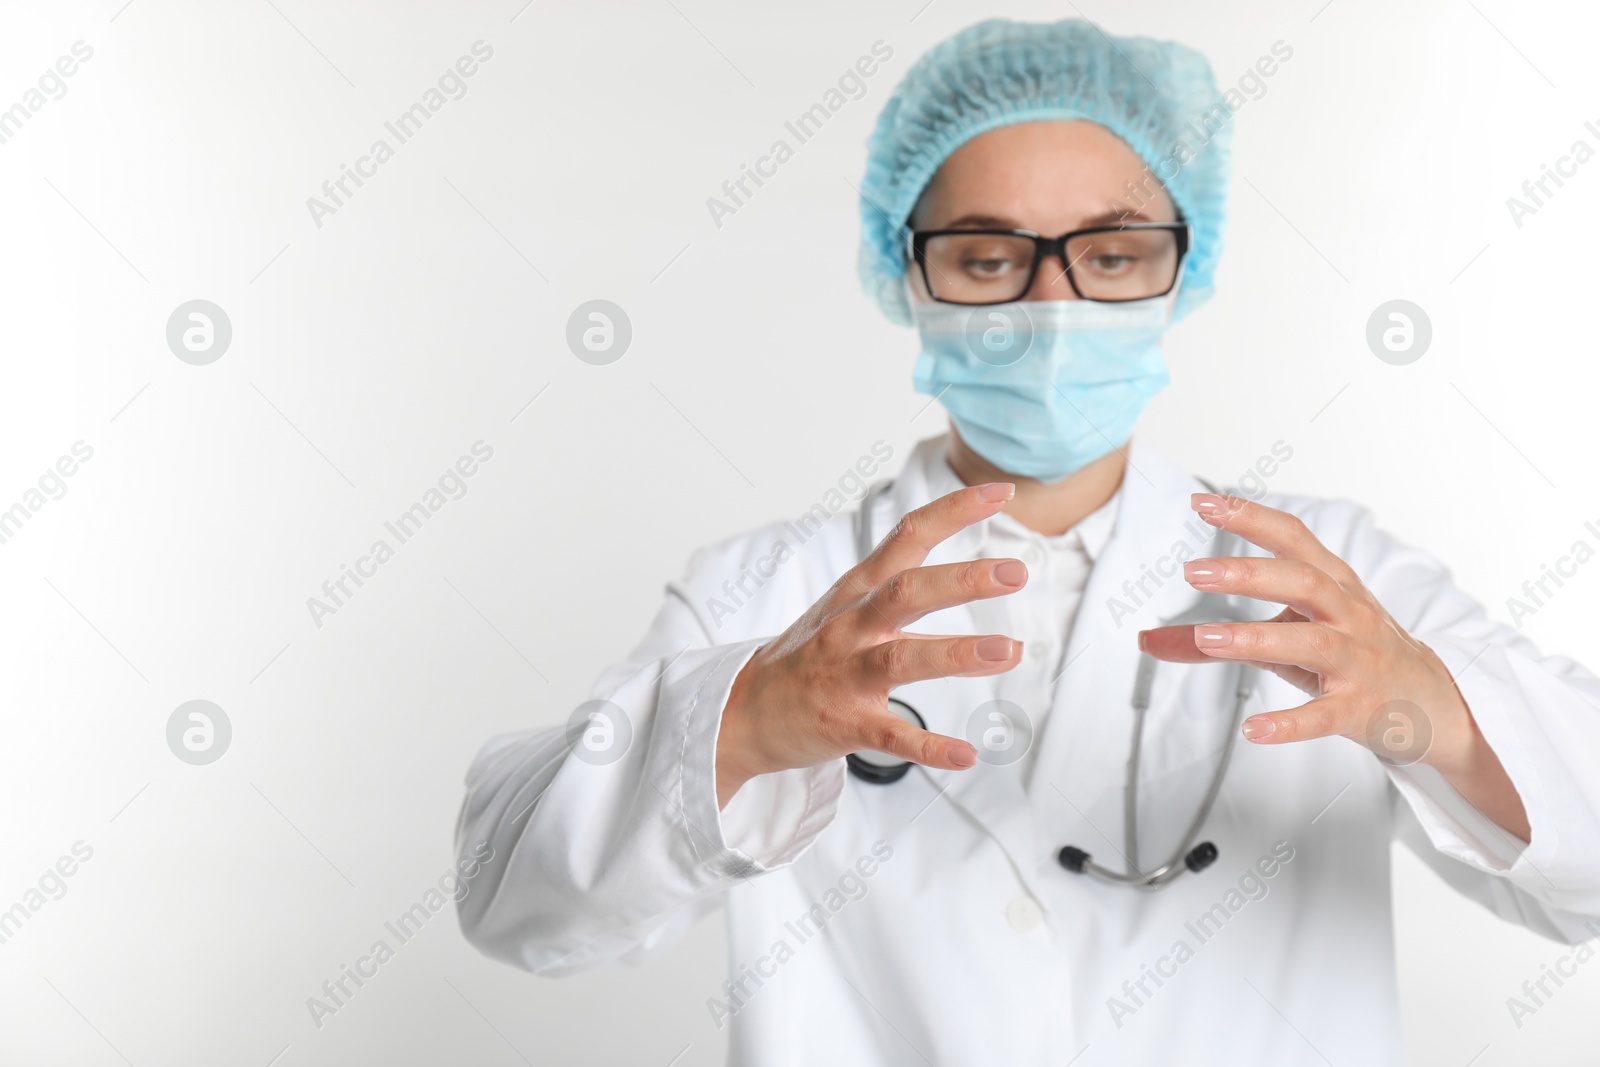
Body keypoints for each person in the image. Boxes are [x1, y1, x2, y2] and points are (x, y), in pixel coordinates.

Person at [454, 18, 1600, 1065]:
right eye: (987, 255)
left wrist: (1434, 711)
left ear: (1180, 271)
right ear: (909, 270)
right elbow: (519, 910)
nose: (1050, 307)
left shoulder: (1326, 575)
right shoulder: (769, 591)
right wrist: (743, 723)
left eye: (1109, 254)